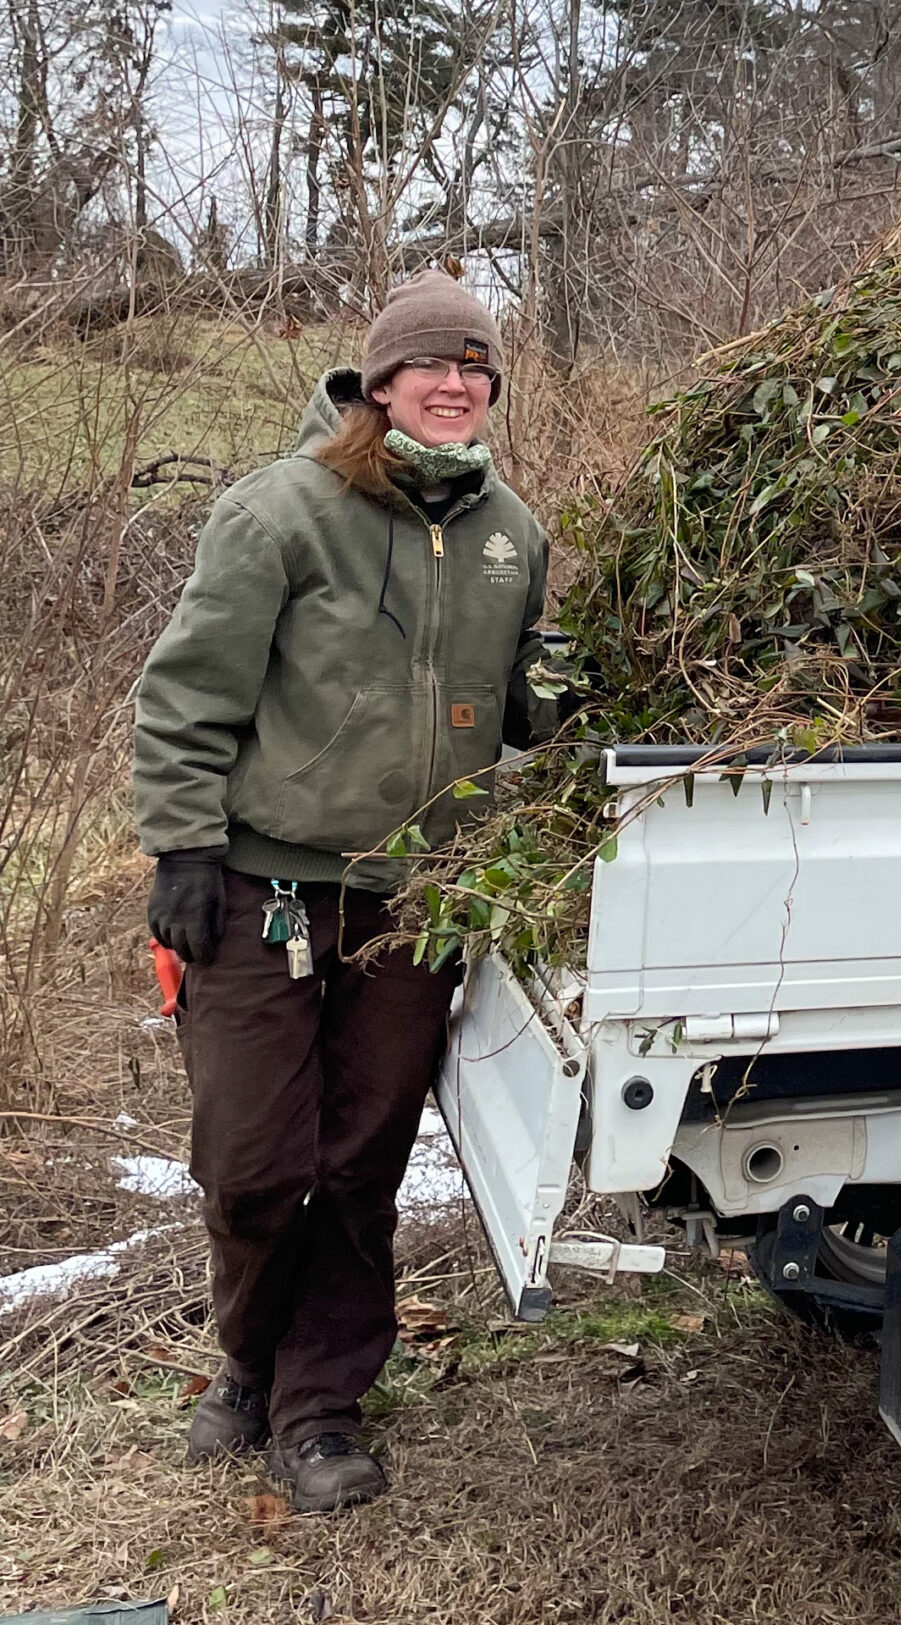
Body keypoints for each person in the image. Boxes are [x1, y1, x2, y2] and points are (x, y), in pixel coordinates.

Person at [132, 274, 557, 1512]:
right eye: (430, 367)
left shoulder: (509, 535)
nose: (455, 386)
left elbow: (526, 709)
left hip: (415, 902)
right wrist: (182, 848)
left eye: (476, 370)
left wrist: (569, 679)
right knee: (253, 1165)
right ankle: (248, 1363)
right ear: (377, 384)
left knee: (364, 1162)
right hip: (264, 890)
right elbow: (187, 691)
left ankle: (320, 1407)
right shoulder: (283, 511)